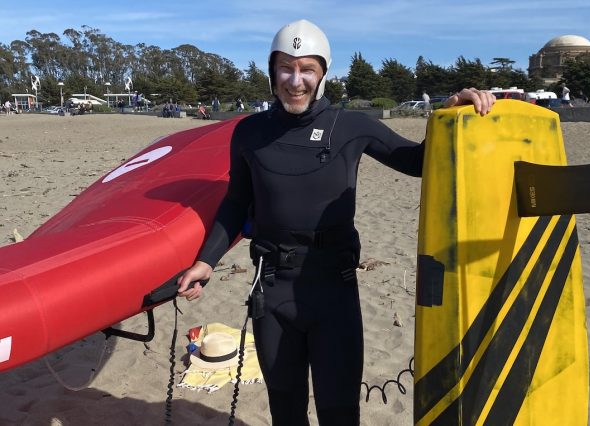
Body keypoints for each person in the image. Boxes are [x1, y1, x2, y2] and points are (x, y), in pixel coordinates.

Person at [177, 19, 494, 426]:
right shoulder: (249, 133)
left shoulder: (350, 127)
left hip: (333, 288)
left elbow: (418, 162)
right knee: (286, 409)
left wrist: (451, 112)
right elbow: (237, 202)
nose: (295, 80)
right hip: (272, 289)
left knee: (340, 411)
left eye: (307, 69)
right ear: (271, 72)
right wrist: (207, 261)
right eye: (285, 68)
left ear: (323, 73)